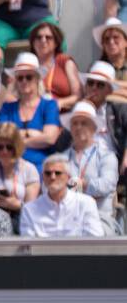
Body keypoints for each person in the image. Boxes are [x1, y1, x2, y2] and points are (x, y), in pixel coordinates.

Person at [59, 100, 119, 235]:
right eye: (74, 123)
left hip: (99, 218)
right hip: (67, 219)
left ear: (94, 127)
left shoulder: (107, 156)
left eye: (84, 123)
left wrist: (82, 185)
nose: (78, 127)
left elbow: (107, 185)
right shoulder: (61, 159)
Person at [0, 52, 62, 170]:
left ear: (37, 78)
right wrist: (33, 134)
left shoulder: (49, 105)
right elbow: (2, 138)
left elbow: (50, 138)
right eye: (20, 78)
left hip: (42, 168)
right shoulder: (7, 108)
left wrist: (18, 138)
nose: (24, 81)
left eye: (29, 77)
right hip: (11, 167)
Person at [20, 156, 106, 238]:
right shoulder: (29, 209)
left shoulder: (86, 204)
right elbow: (28, 247)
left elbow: (96, 240)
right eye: (48, 173)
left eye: (58, 173)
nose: (52, 177)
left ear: (68, 177)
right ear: (43, 177)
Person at [0, 122, 40, 227]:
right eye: (0, 147)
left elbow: (32, 209)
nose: (4, 151)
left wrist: (17, 205)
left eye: (9, 147)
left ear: (17, 147)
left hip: (21, 223)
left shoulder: (29, 169)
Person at [28, 21, 80, 115]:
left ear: (56, 43)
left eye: (48, 37)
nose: (43, 40)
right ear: (33, 42)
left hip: (62, 115)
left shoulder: (65, 61)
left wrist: (59, 103)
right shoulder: (26, 63)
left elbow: (78, 96)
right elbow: (11, 95)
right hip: (33, 114)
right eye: (39, 37)